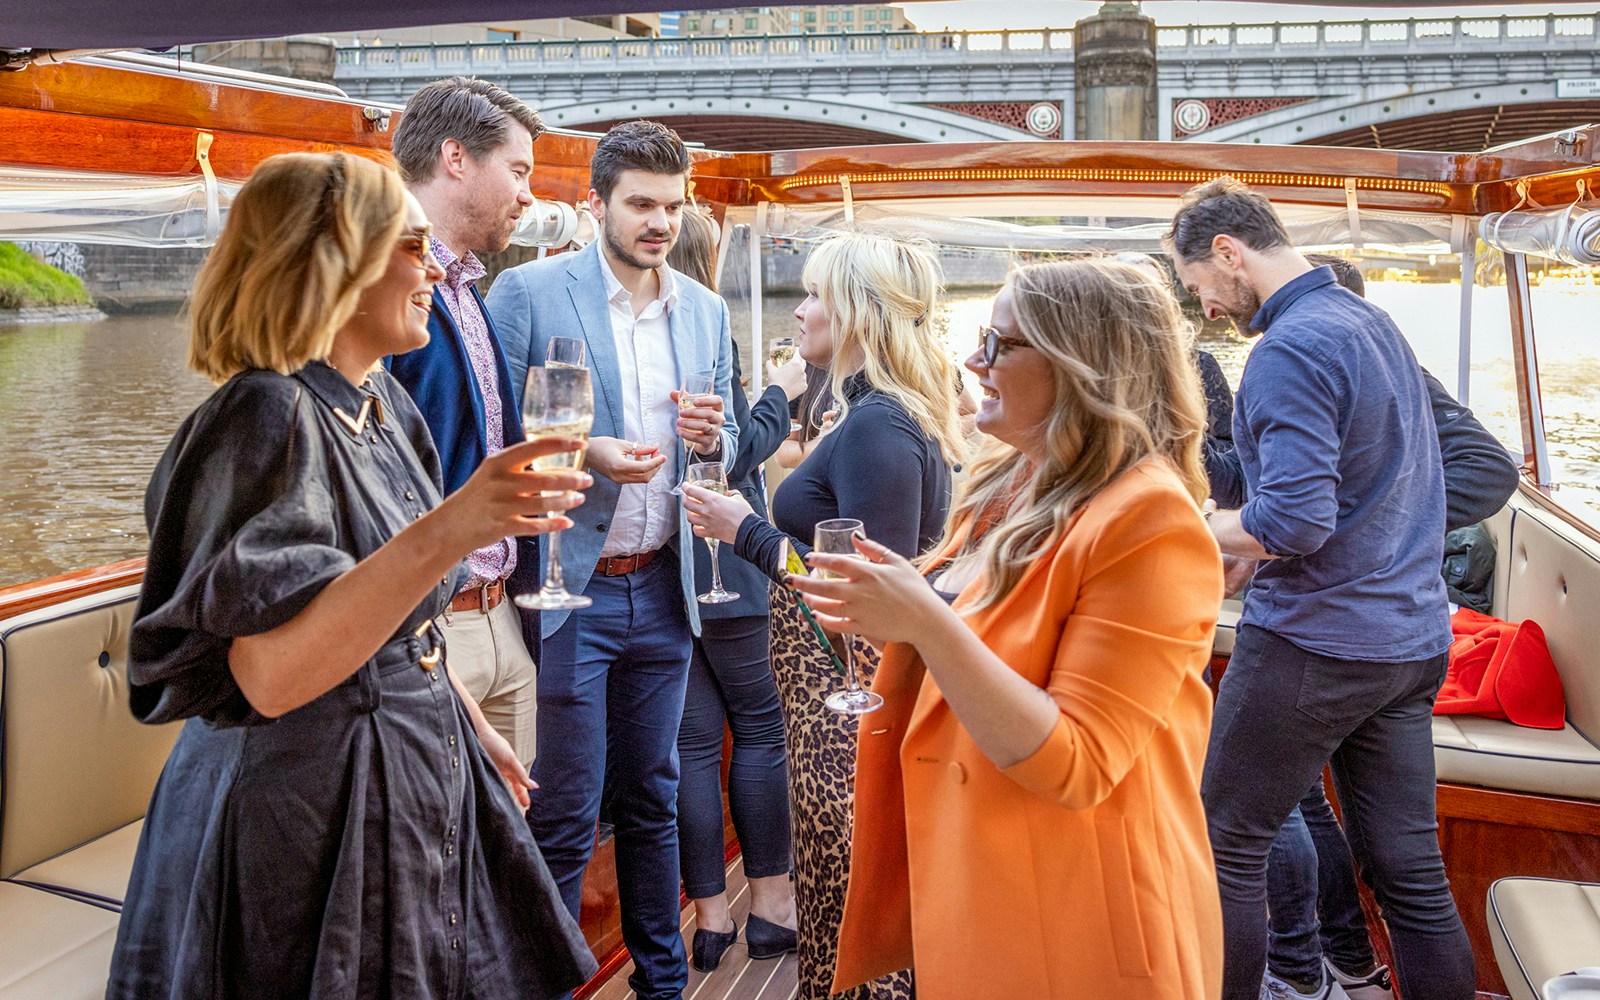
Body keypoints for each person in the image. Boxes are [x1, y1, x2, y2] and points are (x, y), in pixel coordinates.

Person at [107, 152, 597, 998]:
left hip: (396, 774)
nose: (434, 265)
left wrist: (461, 714)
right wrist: (456, 528)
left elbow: (389, 620)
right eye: (412, 245)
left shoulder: (380, 406)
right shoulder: (264, 414)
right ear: (336, 261)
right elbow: (269, 675)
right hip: (305, 820)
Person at [784, 258, 1224, 998]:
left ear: (1081, 366)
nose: (971, 362)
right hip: (981, 879)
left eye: (999, 345)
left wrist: (923, 621)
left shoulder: (1152, 521)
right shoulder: (1008, 485)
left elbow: (1077, 764)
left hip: (1076, 916)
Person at [1166, 176, 1476, 1000]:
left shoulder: (1289, 348)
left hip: (1319, 643)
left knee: (1224, 839)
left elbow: (1294, 523)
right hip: (1411, 645)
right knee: (1411, 877)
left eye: (1201, 288)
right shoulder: (1370, 322)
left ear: (1229, 253)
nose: (1208, 312)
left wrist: (1186, 533)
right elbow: (1373, 491)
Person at [485, 120, 739, 1000]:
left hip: (666, 591)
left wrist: (717, 438)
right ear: (597, 204)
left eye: (672, 206)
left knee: (653, 801)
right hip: (566, 591)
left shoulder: (705, 308)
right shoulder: (526, 294)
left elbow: (730, 434)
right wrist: (582, 452)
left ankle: (661, 986)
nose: (659, 222)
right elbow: (495, 431)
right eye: (640, 204)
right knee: (560, 814)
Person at [684, 229, 965, 1000]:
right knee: (832, 872)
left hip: (849, 695)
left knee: (846, 874)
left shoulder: (879, 426)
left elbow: (870, 590)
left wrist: (743, 529)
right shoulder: (876, 413)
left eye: (813, 295)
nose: (800, 310)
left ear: (858, 312)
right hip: (827, 692)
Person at [1258, 254, 1519, 1000]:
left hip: (1343, 630)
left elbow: (1489, 471)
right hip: (1395, 635)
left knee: (1247, 824)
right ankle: (1344, 961)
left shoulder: (1374, 369)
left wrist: (1375, 532)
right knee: (1406, 870)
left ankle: (1307, 970)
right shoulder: (1341, 368)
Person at [386, 76, 543, 768]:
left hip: (499, 613)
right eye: (518, 170)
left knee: (510, 851)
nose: (529, 194)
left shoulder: (467, 289)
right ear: (457, 158)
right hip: (428, 626)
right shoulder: (387, 290)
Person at [665, 204, 804, 972]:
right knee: (760, 730)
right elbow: (741, 448)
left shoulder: (651, 338)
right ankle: (773, 906)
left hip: (666, 575)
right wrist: (780, 389)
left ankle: (710, 917)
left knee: (689, 747)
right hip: (729, 571)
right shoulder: (706, 330)